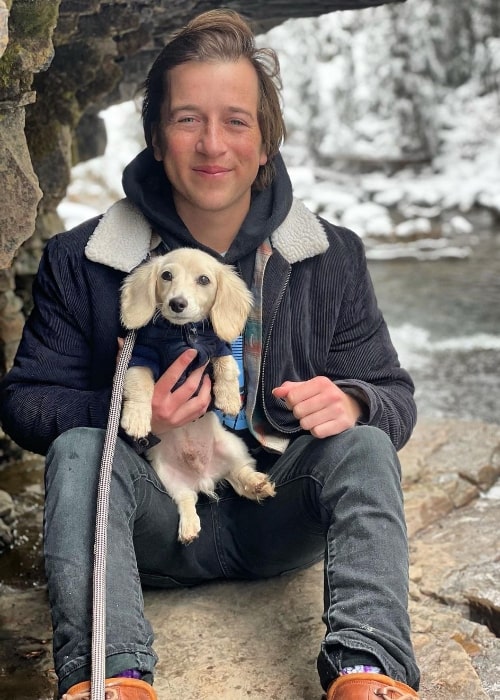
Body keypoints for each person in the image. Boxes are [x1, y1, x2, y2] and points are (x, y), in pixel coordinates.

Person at [0, 9, 421, 700]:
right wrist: (134, 414)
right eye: (187, 119)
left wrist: (354, 400)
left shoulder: (328, 253)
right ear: (157, 139)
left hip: (278, 511)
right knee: (82, 448)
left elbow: (394, 396)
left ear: (264, 143)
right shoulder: (84, 258)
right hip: (153, 521)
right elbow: (23, 401)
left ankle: (367, 671)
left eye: (236, 121)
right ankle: (113, 678)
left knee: (368, 445)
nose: (211, 145)